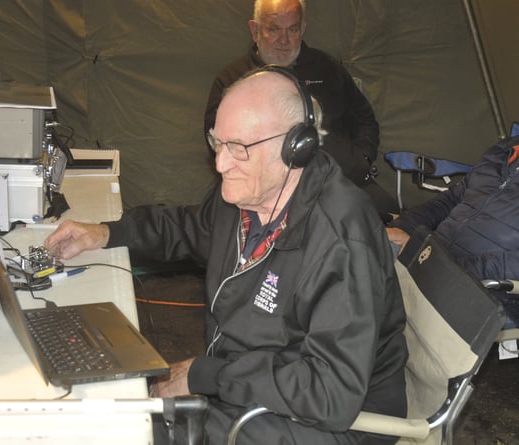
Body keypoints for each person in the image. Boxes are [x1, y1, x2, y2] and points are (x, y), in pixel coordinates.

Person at [45, 66, 407, 444]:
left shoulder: (341, 241)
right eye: (217, 143)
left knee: (135, 434)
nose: (220, 164)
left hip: (336, 422)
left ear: (296, 147)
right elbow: (184, 228)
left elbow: (329, 393)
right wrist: (104, 233)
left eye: (239, 148)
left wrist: (206, 375)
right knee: (112, 415)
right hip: (254, 386)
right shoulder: (248, 197)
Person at [204, 0, 398, 218]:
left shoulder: (327, 68)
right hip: (266, 193)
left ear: (303, 28)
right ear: (255, 29)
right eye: (274, 29)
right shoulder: (231, 80)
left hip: (338, 180)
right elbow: (217, 144)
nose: (284, 40)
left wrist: (360, 160)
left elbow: (365, 119)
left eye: (293, 29)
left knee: (387, 212)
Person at [387, 134, 519, 327]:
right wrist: (400, 228)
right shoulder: (504, 150)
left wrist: (451, 267)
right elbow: (450, 200)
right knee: (365, 251)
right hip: (432, 260)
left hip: (488, 291)